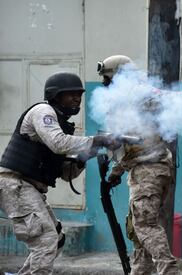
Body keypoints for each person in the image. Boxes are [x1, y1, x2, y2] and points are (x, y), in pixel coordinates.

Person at [0, 72, 119, 275]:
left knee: (56, 238)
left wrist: (88, 154)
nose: (76, 98)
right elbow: (58, 143)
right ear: (55, 95)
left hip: (30, 188)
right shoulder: (43, 111)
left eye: (79, 94)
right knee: (46, 241)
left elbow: (66, 174)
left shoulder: (61, 125)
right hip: (16, 184)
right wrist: (98, 141)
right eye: (70, 94)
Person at [97, 55, 179, 275]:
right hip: (148, 169)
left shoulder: (138, 94)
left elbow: (138, 141)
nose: (105, 84)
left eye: (108, 78)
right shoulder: (133, 96)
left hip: (148, 170)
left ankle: (169, 270)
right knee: (140, 232)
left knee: (145, 226)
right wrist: (116, 171)